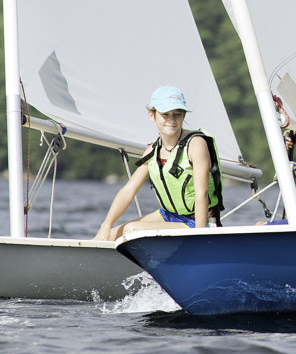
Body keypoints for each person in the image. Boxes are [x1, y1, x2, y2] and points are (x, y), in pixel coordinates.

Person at [93, 85, 223, 240]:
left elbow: (202, 193)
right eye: (165, 114)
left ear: (183, 115)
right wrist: (105, 226)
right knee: (109, 236)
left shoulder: (196, 144)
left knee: (132, 230)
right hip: (168, 216)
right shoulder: (153, 151)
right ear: (152, 114)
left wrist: (199, 236)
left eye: (177, 114)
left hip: (200, 221)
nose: (171, 120)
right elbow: (129, 190)